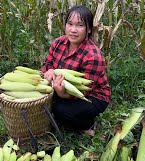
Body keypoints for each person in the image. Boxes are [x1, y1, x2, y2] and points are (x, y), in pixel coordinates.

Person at [42, 5, 111, 135]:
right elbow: (48, 63)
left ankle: (87, 125)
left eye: (80, 25)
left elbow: (83, 90)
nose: (73, 30)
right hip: (61, 87)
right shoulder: (58, 43)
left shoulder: (93, 56)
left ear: (89, 29)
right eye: (70, 24)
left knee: (59, 110)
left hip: (93, 95)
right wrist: (49, 70)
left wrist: (61, 94)